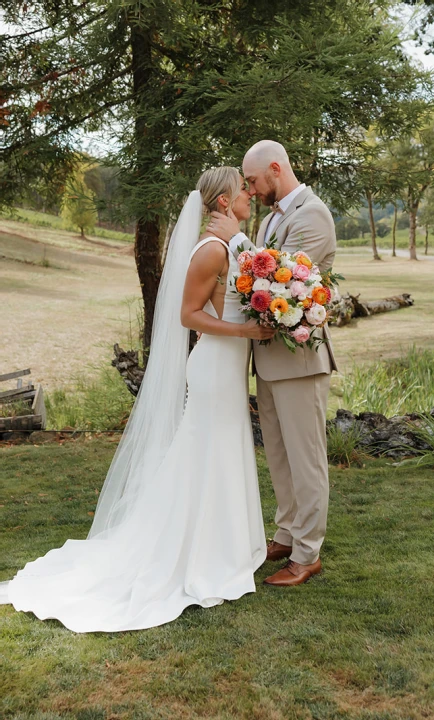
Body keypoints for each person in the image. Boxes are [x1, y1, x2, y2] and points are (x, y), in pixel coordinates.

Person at [0, 167, 274, 633]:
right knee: (204, 451)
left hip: (229, 370)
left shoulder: (235, 247)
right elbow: (188, 316)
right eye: (242, 189)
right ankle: (195, 552)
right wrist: (247, 330)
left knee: (223, 450)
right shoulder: (211, 251)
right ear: (224, 203)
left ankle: (224, 545)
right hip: (212, 369)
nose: (250, 193)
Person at [207, 140, 337, 587]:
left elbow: (284, 273)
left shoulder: (313, 215)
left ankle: (307, 553)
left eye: (256, 180)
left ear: (276, 169)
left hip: (300, 362)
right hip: (268, 359)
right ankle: (286, 533)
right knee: (279, 456)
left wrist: (236, 239)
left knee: (306, 461)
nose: (252, 188)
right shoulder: (272, 217)